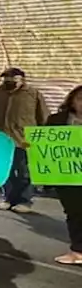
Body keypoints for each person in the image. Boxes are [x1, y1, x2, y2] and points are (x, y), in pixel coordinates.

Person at [0, 67, 49, 213]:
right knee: (6, 171)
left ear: (22, 79)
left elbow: (44, 117)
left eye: (13, 78)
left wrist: (43, 137)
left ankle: (25, 201)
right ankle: (8, 199)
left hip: (23, 140)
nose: (9, 81)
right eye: (6, 78)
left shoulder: (33, 95)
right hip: (1, 141)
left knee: (24, 172)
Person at [46, 85, 82, 265]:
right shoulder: (56, 120)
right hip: (66, 176)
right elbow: (44, 144)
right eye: (80, 99)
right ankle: (77, 250)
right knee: (74, 212)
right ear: (72, 101)